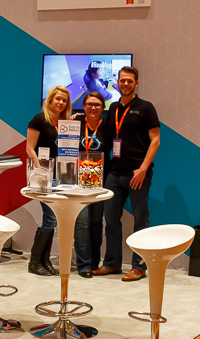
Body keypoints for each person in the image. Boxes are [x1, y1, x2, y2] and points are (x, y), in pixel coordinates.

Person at [92, 66, 161, 282]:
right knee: (111, 220)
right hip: (115, 173)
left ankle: (139, 267)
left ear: (136, 84)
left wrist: (142, 169)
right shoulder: (113, 107)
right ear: (117, 82)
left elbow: (155, 140)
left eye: (130, 81)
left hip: (137, 174)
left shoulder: (146, 108)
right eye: (122, 80)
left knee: (140, 221)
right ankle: (112, 264)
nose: (125, 84)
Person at [26, 86, 72, 276]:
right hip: (44, 176)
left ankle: (44, 261)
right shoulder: (39, 119)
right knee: (51, 218)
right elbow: (30, 148)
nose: (61, 103)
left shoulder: (65, 122)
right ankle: (34, 261)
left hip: (61, 177)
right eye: (58, 99)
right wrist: (41, 172)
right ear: (50, 99)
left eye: (64, 100)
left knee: (51, 218)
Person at [73, 92, 110, 278]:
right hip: (78, 182)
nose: (93, 108)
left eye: (97, 104)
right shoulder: (76, 123)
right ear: (83, 106)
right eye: (89, 104)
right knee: (81, 222)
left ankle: (95, 262)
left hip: (100, 183)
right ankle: (84, 265)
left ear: (103, 107)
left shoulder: (109, 126)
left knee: (96, 222)